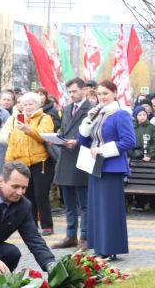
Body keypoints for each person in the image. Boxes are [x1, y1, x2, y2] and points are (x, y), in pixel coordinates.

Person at [78, 80, 136, 259]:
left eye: (105, 94)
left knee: (109, 209)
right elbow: (82, 139)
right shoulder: (97, 114)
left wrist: (102, 150)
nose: (102, 97)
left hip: (111, 167)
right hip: (95, 166)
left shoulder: (121, 114)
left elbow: (129, 141)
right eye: (99, 94)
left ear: (114, 93)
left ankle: (110, 248)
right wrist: (88, 119)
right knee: (97, 209)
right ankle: (100, 248)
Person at [2, 91, 56, 235]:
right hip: (22, 163)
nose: (27, 107)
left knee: (41, 194)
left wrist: (27, 129)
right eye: (25, 104)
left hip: (41, 161)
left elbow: (43, 136)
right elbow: (12, 143)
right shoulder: (17, 119)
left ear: (37, 104)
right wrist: (8, 163)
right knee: (27, 196)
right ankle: (31, 226)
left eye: (30, 104)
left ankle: (47, 225)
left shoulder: (45, 118)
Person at [52, 79, 93, 250]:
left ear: (84, 90)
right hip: (66, 158)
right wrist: (57, 138)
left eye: (74, 91)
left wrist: (76, 142)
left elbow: (94, 135)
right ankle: (70, 236)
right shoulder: (67, 108)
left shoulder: (91, 110)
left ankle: (85, 237)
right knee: (68, 203)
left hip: (82, 157)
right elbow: (64, 129)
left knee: (84, 204)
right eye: (69, 92)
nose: (71, 95)